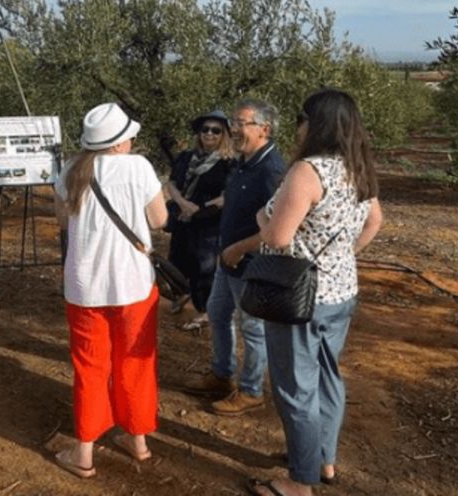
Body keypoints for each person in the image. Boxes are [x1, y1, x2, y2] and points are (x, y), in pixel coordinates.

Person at [246, 90, 383, 496]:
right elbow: (375, 221)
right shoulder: (358, 169)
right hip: (341, 292)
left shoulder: (308, 171)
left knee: (295, 387)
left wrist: (262, 217)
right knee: (327, 376)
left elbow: (278, 235)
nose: (299, 127)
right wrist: (343, 256)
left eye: (302, 119)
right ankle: (323, 460)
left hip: (299, 298)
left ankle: (299, 482)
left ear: (314, 123)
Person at [52, 103, 168, 479]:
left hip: (85, 288)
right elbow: (159, 219)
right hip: (133, 286)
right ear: (120, 142)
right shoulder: (139, 168)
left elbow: (62, 221)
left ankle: (84, 451)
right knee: (136, 363)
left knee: (90, 367)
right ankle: (137, 440)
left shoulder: (70, 170)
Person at [183, 99, 285, 416]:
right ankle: (222, 375)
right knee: (217, 313)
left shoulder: (272, 171)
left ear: (264, 129)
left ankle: (252, 390)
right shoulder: (245, 161)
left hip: (251, 263)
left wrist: (241, 248)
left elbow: (278, 227)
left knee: (253, 328)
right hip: (228, 260)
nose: (234, 129)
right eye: (234, 122)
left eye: (241, 123)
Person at [164, 110, 236, 328]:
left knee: (203, 266)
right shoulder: (187, 157)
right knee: (176, 259)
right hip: (183, 218)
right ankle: (180, 294)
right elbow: (173, 183)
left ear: (224, 134)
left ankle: (205, 310)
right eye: (205, 129)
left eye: (216, 130)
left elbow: (229, 194)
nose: (210, 134)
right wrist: (184, 204)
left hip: (209, 222)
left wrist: (201, 207)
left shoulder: (228, 163)